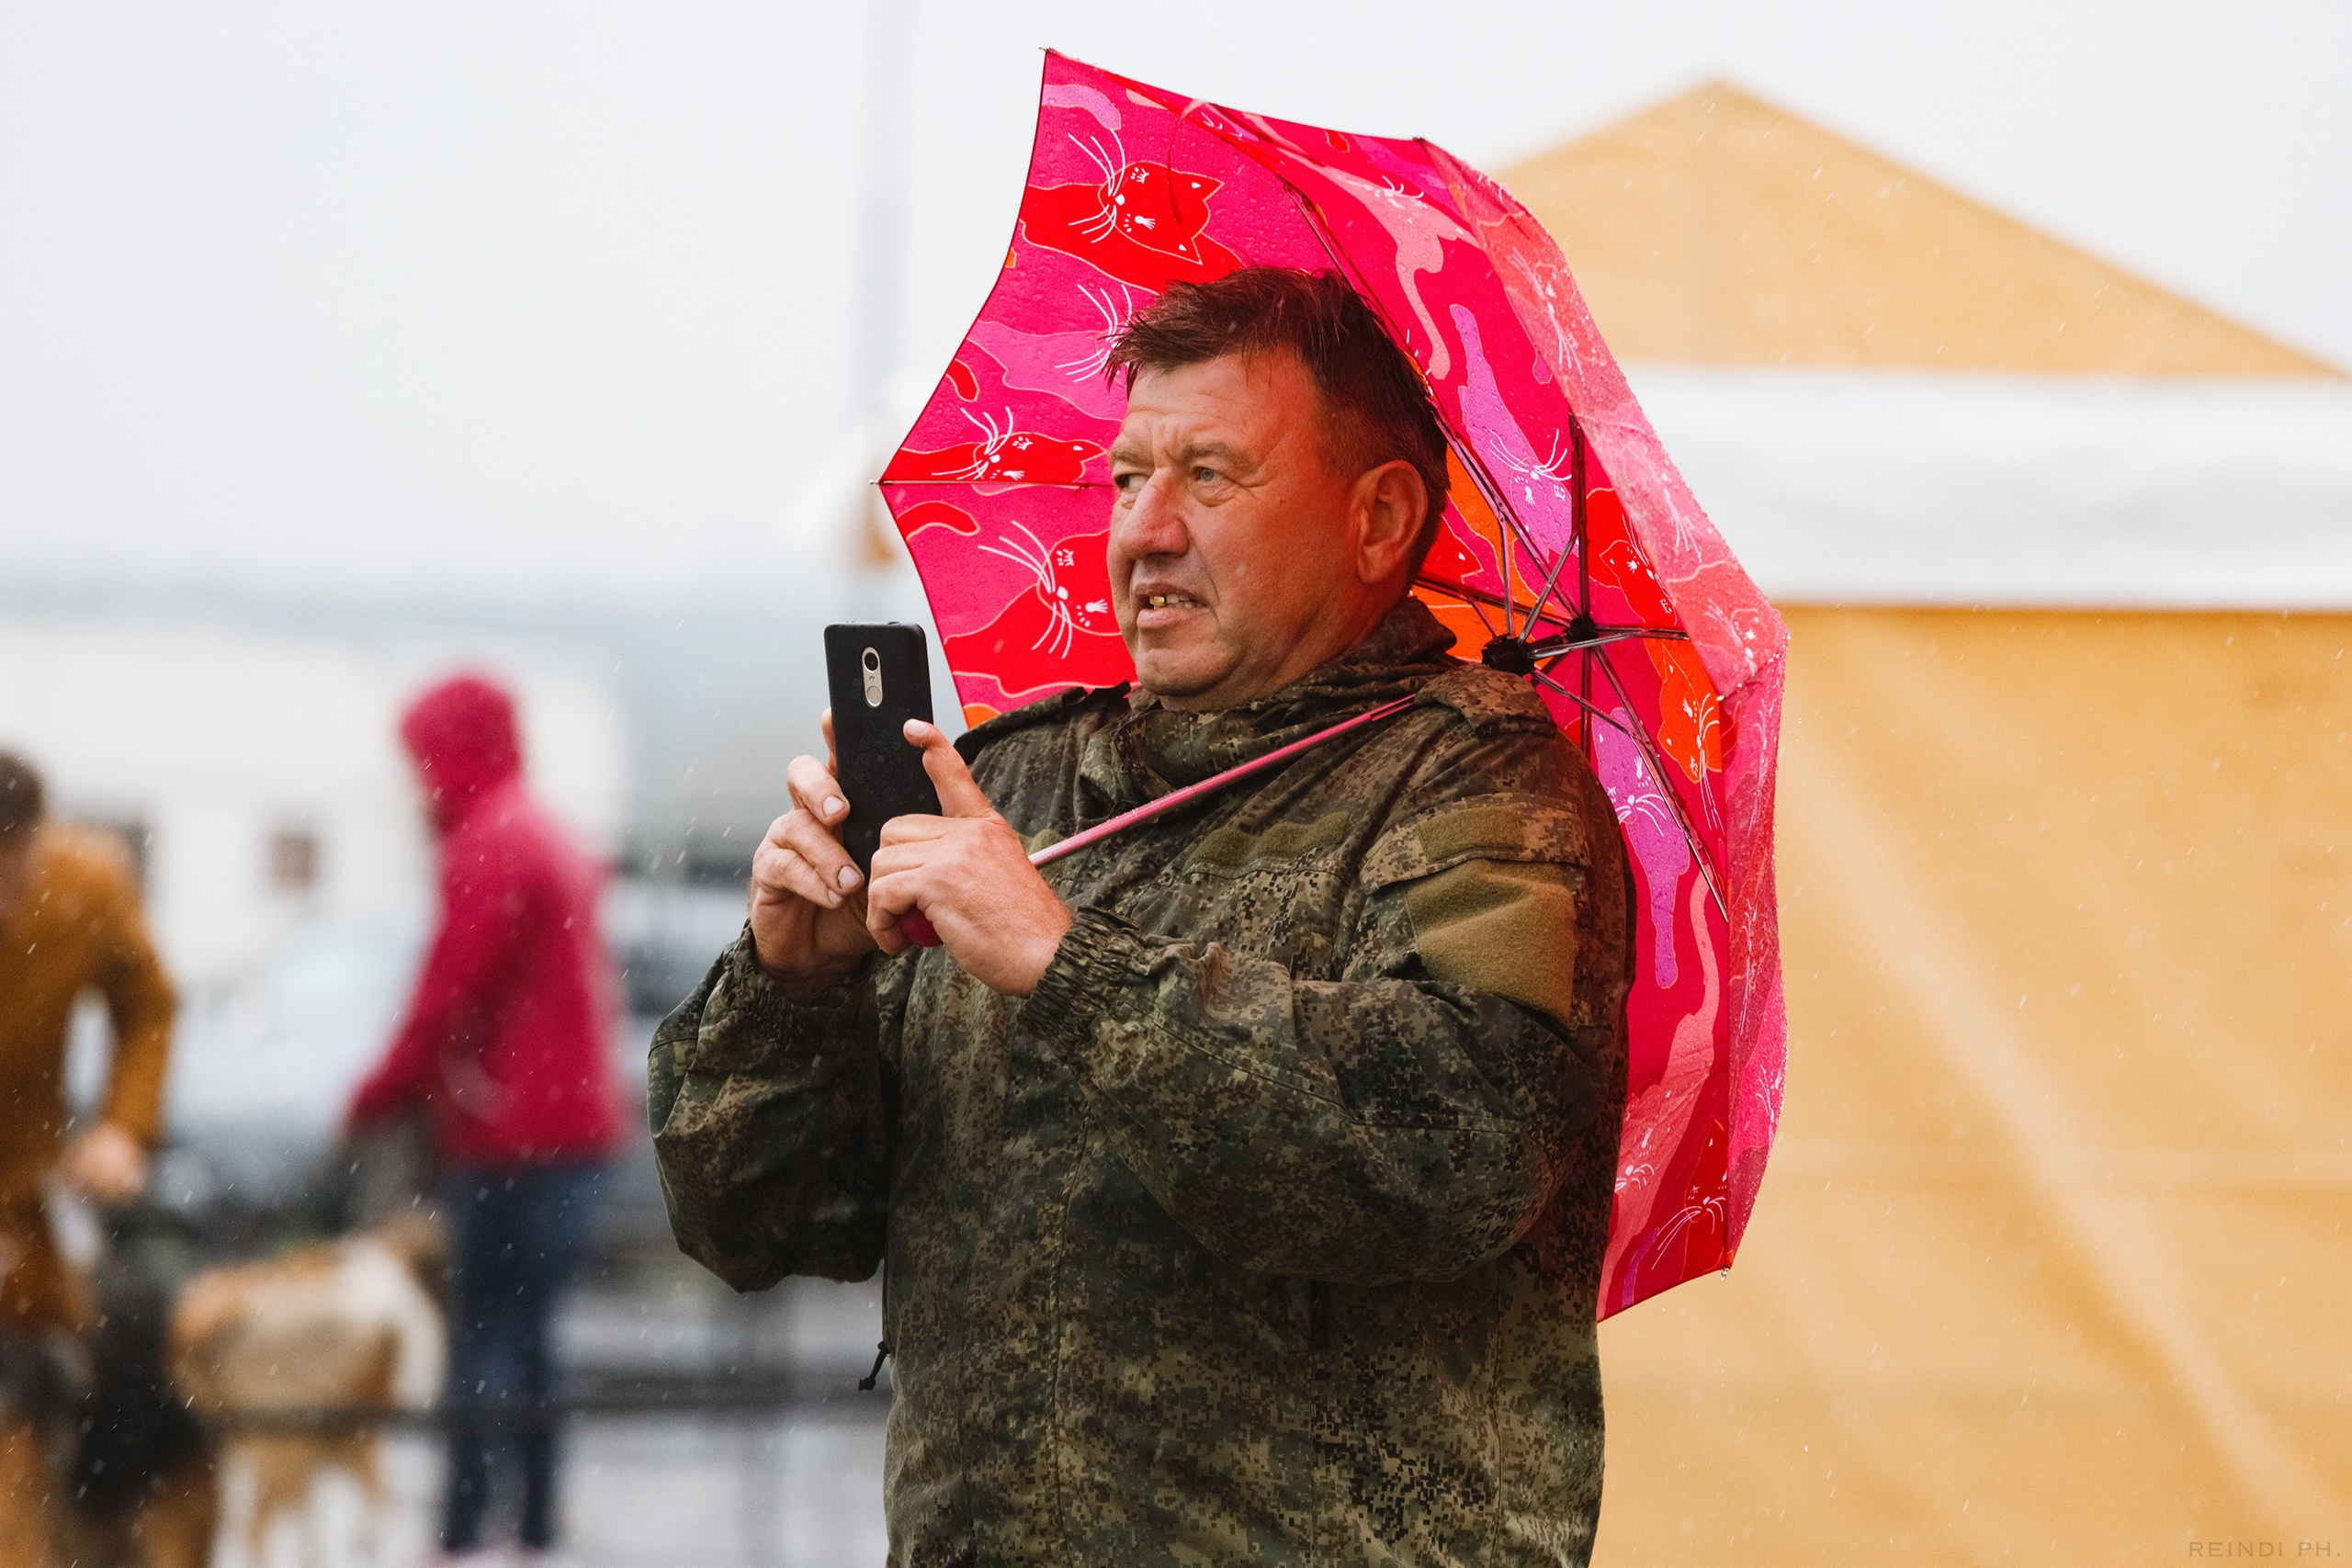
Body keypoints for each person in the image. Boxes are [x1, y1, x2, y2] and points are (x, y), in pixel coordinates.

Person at [652, 267, 1633, 1566]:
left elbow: (1450, 1150)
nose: (1146, 530)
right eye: (1127, 478)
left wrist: (1065, 965)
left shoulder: (1481, 788)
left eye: (1210, 477)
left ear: (1378, 517)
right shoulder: (1005, 787)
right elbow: (762, 1222)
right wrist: (794, 988)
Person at [345, 674, 622, 1562]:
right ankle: (534, 1526)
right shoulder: (533, 826)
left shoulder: (489, 843)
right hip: (568, 1129)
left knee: (485, 1336)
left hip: (517, 1136)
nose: (414, 781)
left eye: (419, 759)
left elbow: (446, 995)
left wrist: (374, 1096)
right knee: (531, 1336)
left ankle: (465, 1533)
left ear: (446, 753)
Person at [0, 750, 174, 1334]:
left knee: (46, 1370)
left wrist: (122, 1128)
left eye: (16, 864)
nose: (6, 888)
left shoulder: (85, 886)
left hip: (28, 1193)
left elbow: (147, 1004)